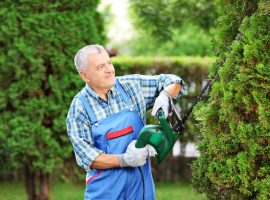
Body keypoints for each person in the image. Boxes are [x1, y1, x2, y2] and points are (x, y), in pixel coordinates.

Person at [66, 44, 185, 200]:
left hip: (141, 191)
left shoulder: (132, 87)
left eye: (109, 63)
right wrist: (124, 160)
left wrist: (165, 95)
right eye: (101, 67)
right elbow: (88, 157)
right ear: (85, 76)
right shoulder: (79, 109)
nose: (109, 69)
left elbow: (174, 81)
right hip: (105, 193)